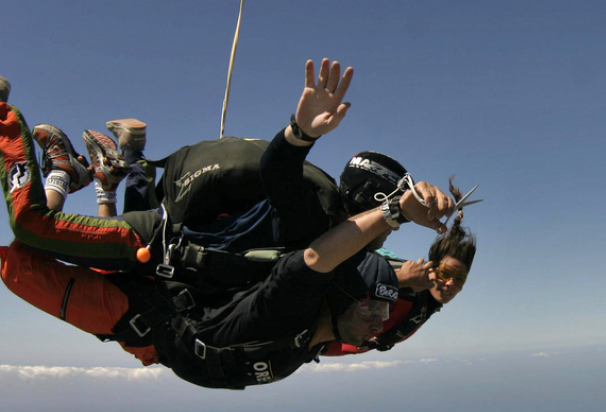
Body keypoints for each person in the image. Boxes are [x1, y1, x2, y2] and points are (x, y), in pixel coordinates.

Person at [0, 59, 456, 389]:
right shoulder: (314, 225)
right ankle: (18, 133)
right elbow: (281, 178)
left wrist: (405, 226)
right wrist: (302, 135)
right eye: (373, 304)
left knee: (20, 258)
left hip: (153, 295)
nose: (378, 315)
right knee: (30, 229)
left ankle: (84, 173)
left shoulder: (323, 292)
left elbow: (363, 275)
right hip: (153, 248)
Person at [324, 183, 476, 355]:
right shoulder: (401, 277)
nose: (450, 284)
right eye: (446, 273)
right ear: (432, 267)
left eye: (459, 279)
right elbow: (334, 272)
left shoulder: (424, 305)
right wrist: (399, 280)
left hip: (310, 347)